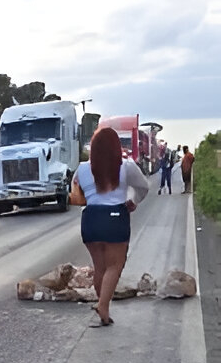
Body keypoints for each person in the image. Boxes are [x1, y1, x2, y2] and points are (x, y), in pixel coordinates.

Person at [73, 127, 149, 327]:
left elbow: (74, 191)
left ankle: (102, 306)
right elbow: (143, 186)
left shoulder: (81, 168)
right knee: (115, 266)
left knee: (100, 267)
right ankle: (103, 306)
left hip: (90, 219)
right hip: (115, 217)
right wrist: (134, 201)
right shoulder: (126, 166)